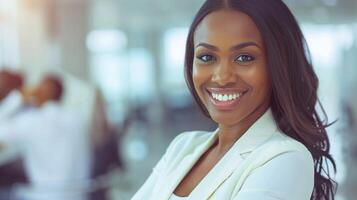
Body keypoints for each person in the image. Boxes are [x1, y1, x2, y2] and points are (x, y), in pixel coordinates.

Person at [132, 0, 337, 200]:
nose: (221, 77)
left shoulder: (286, 159)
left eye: (244, 58)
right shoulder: (182, 147)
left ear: (278, 65)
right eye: (206, 57)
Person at [0, 75, 91, 200]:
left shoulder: (32, 122)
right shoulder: (77, 118)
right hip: (79, 195)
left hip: (45, 195)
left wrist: (18, 98)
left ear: (37, 92)